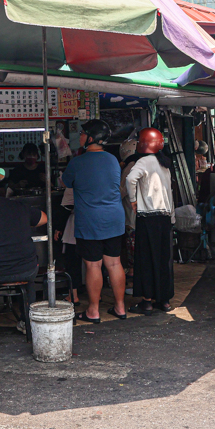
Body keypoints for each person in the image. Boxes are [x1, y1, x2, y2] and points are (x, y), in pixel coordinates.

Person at [61, 119, 127, 323]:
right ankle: (120, 307)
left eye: (83, 133)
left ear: (91, 138)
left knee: (93, 266)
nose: (79, 136)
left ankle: (93, 311)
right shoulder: (113, 160)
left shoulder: (78, 162)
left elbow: (67, 182)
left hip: (91, 220)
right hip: (115, 219)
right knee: (115, 263)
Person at [0, 191, 48, 333]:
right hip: (27, 271)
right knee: (29, 282)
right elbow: (44, 218)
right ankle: (28, 323)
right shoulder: (20, 206)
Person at [126, 128, 175, 315]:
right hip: (164, 218)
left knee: (145, 259)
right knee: (164, 260)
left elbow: (131, 178)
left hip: (147, 218)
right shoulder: (164, 163)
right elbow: (169, 192)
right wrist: (172, 216)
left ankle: (147, 302)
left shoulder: (143, 161)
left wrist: (133, 200)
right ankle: (164, 301)